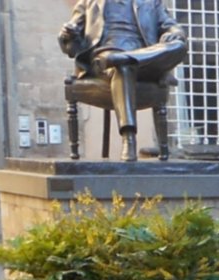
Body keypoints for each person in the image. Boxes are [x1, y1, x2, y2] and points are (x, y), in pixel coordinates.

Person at [58, 0, 188, 161]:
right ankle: (129, 138)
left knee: (178, 46)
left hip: (145, 58)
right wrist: (67, 35)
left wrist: (176, 33)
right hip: (105, 59)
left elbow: (171, 26)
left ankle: (125, 58)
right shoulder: (89, 2)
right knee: (123, 69)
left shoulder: (151, 2)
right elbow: (72, 45)